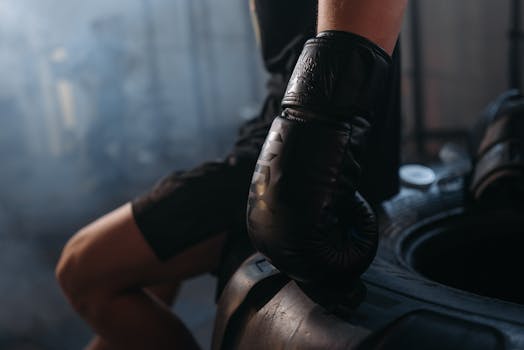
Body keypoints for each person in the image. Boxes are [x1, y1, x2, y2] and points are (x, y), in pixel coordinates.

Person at [55, 0, 407, 349]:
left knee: (82, 271)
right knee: (137, 278)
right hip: (272, 141)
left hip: (304, 158)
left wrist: (310, 164)